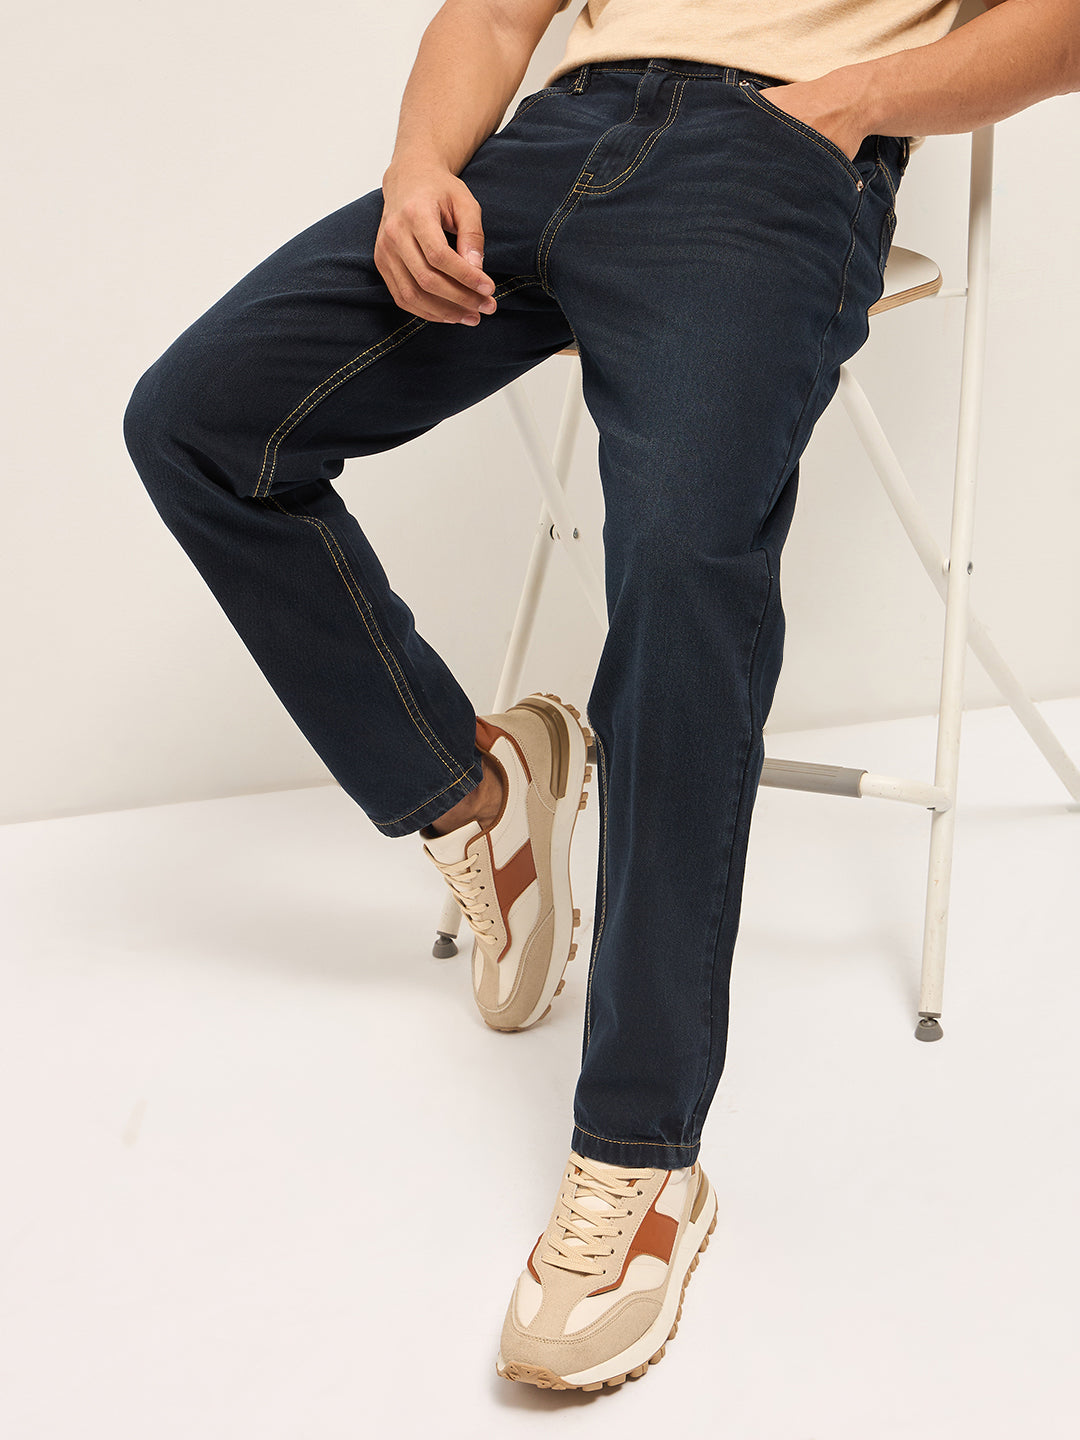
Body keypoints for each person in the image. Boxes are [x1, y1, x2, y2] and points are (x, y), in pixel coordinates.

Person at [122, 0, 1075, 1394]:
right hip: (552, 139)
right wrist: (419, 165)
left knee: (684, 569)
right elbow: (498, 11)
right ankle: (477, 796)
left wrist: (851, 104)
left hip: (774, 156)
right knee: (199, 422)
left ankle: (641, 1157)